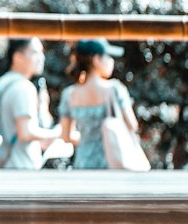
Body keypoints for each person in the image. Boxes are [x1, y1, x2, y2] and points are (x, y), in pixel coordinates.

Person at [57, 37, 141, 170]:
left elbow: (66, 136)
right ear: (96, 59)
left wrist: (88, 137)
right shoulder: (114, 89)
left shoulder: (69, 94)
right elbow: (132, 125)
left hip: (82, 165)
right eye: (108, 56)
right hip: (111, 163)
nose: (111, 61)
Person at [0, 37, 61, 170]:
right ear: (17, 57)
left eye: (41, 52)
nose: (41, 57)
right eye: (35, 52)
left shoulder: (2, 83)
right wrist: (57, 133)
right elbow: (26, 132)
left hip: (3, 164)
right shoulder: (23, 87)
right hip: (20, 167)